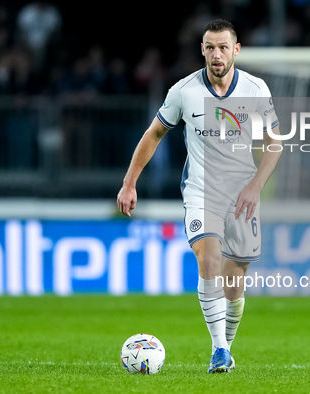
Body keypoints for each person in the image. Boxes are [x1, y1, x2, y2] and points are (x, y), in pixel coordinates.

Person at [116, 19, 281, 373]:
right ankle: (218, 350)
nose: (216, 54)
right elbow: (154, 133)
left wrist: (255, 187)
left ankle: (227, 346)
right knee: (209, 260)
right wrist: (130, 182)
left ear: (236, 50)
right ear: (202, 50)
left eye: (223, 47)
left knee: (234, 287)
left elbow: (274, 144)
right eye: (210, 47)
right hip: (201, 191)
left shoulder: (255, 89)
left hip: (242, 196)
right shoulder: (184, 91)